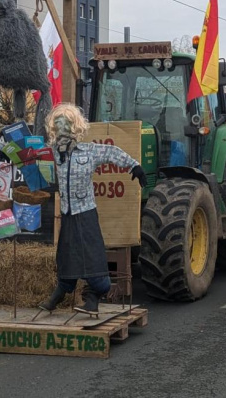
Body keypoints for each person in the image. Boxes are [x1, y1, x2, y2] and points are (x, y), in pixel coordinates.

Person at [38, 103, 147, 314]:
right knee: (67, 254)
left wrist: (134, 166)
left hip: (85, 211)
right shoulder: (51, 152)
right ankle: (62, 289)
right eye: (57, 123)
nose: (62, 127)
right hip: (68, 213)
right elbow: (31, 157)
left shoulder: (88, 151)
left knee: (91, 254)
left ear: (74, 126)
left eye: (66, 123)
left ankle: (93, 296)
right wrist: (11, 157)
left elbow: (112, 152)